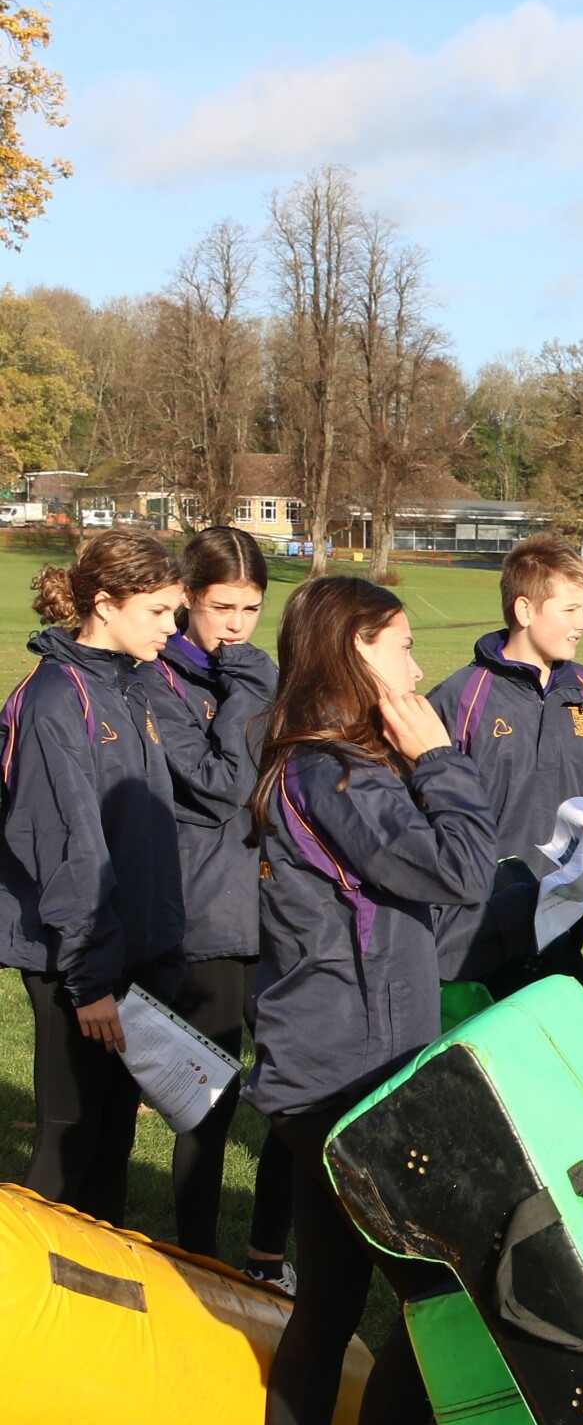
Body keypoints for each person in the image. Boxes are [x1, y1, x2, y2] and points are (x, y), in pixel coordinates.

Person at [243, 576, 499, 1425]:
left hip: (330, 1072)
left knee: (329, 1308)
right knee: (447, 1304)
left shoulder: (312, 763)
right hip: (352, 1087)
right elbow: (460, 865)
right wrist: (439, 757)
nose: (414, 665)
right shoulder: (337, 771)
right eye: (398, 645)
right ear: (353, 652)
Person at [0, 533, 185, 1227]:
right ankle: (22, 1282)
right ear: (106, 604)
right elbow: (64, 847)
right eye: (158, 611)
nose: (172, 628)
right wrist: (91, 981)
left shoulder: (127, 684)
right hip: (75, 962)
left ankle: (100, 1278)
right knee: (68, 1138)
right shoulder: (57, 698)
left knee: (112, 1139)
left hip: (124, 953)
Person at [150, 526, 293, 1279]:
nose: (236, 627)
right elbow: (219, 786)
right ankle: (196, 1263)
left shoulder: (261, 674)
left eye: (250, 609)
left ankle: (266, 1254)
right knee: (207, 1101)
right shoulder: (159, 680)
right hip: (204, 916)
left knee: (295, 1093)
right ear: (187, 601)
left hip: (277, 911)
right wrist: (248, 690)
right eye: (220, 608)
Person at [428, 535, 583, 877]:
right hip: (482, 899)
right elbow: (430, 807)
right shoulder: (461, 697)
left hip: (564, 897)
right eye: (570, 610)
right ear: (525, 610)